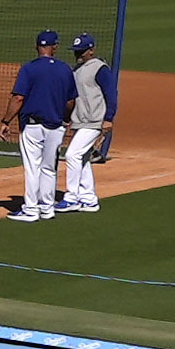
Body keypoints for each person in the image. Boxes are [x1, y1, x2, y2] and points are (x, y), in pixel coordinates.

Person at [0, 29, 81, 223]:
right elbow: (71, 101)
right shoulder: (65, 69)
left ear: (37, 47)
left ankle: (30, 209)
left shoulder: (29, 69)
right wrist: (66, 118)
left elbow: (19, 98)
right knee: (48, 168)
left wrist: (6, 121)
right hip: (56, 126)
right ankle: (47, 207)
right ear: (55, 47)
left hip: (33, 126)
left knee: (32, 167)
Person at [65, 33, 118, 217]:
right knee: (83, 159)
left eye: (81, 51)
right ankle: (88, 198)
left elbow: (111, 93)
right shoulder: (76, 70)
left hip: (95, 120)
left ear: (91, 51)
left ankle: (71, 197)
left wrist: (109, 117)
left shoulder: (100, 68)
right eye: (76, 51)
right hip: (81, 120)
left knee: (72, 154)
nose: (78, 54)